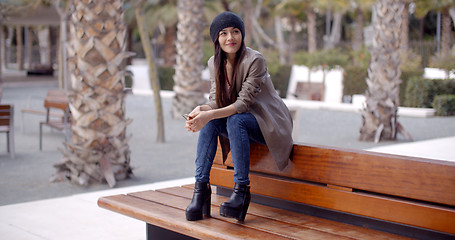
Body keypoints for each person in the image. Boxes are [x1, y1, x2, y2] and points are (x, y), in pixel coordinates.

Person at [184, 11, 293, 222]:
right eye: (223, 33)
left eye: (235, 32)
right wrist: (201, 109)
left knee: (234, 119)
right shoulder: (213, 62)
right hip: (242, 121)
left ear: (242, 35)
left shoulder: (255, 60)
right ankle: (200, 190)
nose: (230, 38)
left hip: (268, 123)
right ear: (216, 38)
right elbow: (216, 100)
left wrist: (210, 115)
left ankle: (241, 192)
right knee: (215, 120)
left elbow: (243, 104)